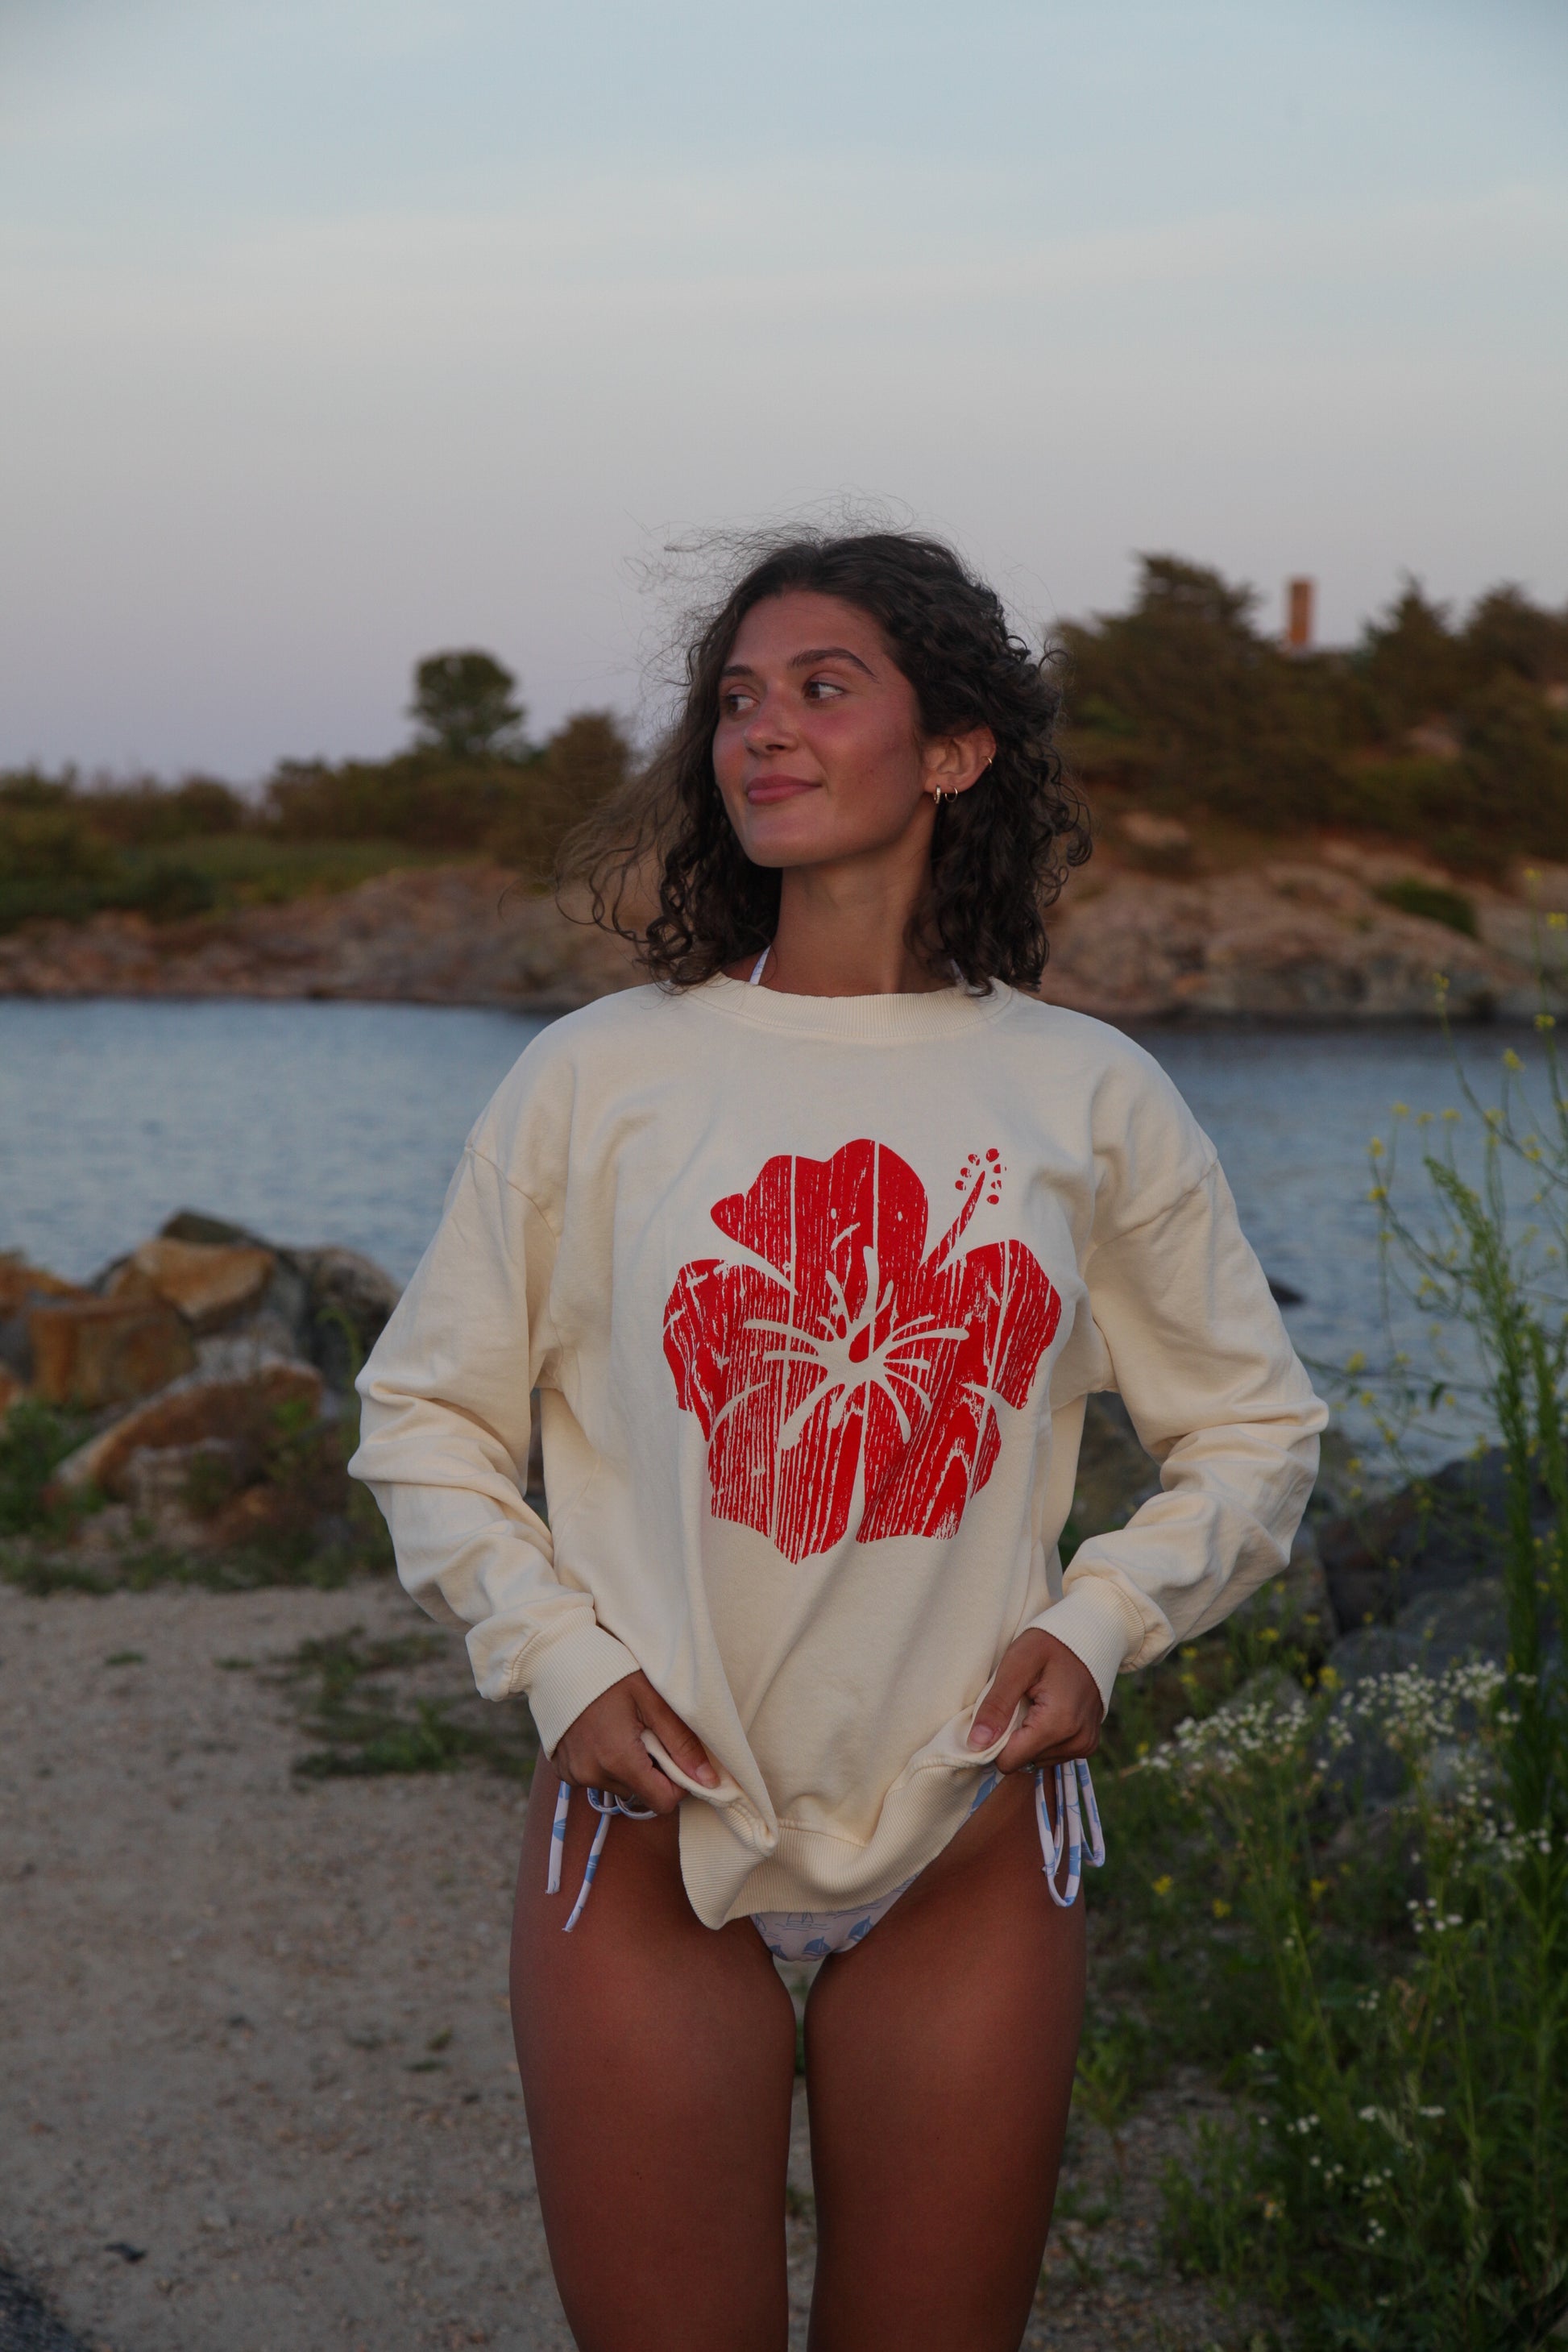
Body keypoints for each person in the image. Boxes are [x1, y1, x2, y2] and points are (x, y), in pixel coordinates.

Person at [349, 529, 1325, 2352]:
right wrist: (558, 1661)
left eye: (820, 688)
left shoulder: (1086, 1092)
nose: (762, 732)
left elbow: (1254, 1427)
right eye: (735, 699)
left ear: (953, 748)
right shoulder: (597, 1075)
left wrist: (1101, 1623)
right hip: (648, 1836)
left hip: (965, 1841)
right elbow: (424, 1414)